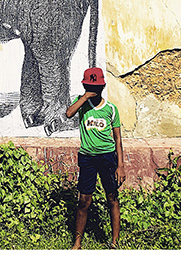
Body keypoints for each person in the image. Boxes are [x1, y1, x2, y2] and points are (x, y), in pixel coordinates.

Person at [65, 66, 125, 250]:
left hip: (107, 157)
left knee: (112, 197)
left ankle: (114, 242)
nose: (94, 91)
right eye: (90, 87)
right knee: (84, 200)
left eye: (97, 88)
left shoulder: (111, 109)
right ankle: (77, 243)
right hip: (87, 158)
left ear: (103, 87)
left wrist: (120, 165)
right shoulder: (82, 105)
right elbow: (68, 114)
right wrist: (84, 97)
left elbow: (117, 139)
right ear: (84, 86)